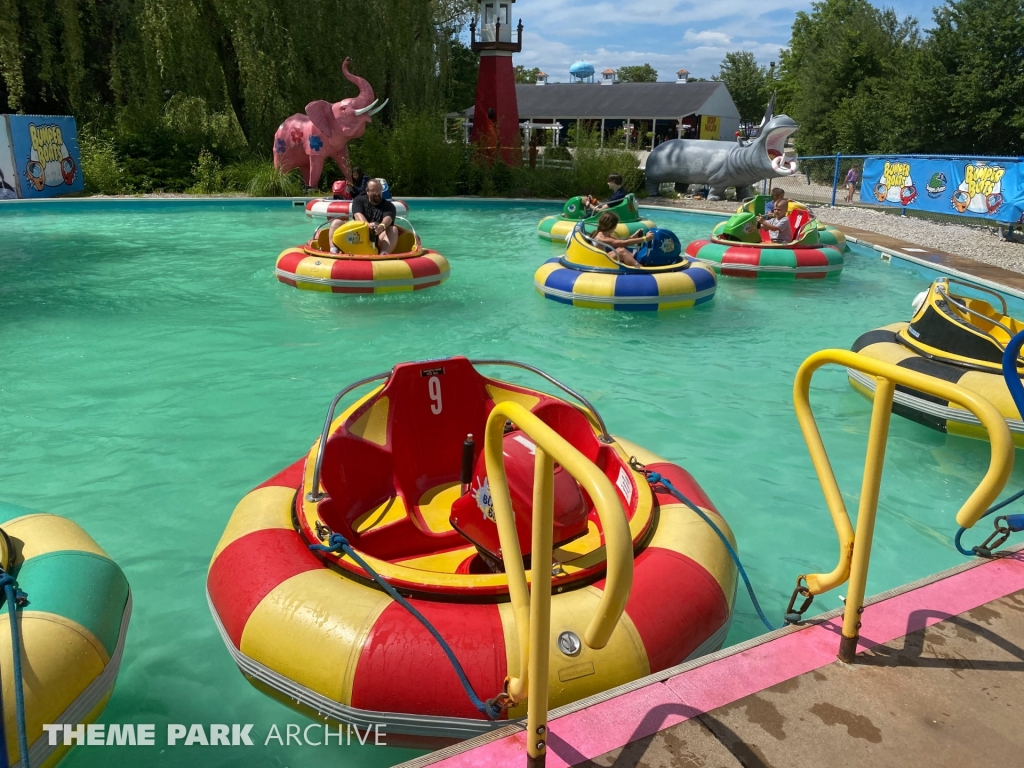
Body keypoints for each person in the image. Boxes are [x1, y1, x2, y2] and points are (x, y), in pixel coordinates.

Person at [329, 179, 399, 254]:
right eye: (373, 190)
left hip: (377, 237)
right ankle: (334, 251)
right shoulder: (358, 200)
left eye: (379, 190)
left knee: (393, 229)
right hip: (357, 236)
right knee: (336, 223)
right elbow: (357, 214)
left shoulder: (389, 206)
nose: (377, 193)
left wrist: (381, 227)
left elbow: (388, 218)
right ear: (367, 191)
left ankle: (383, 254)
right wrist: (367, 225)